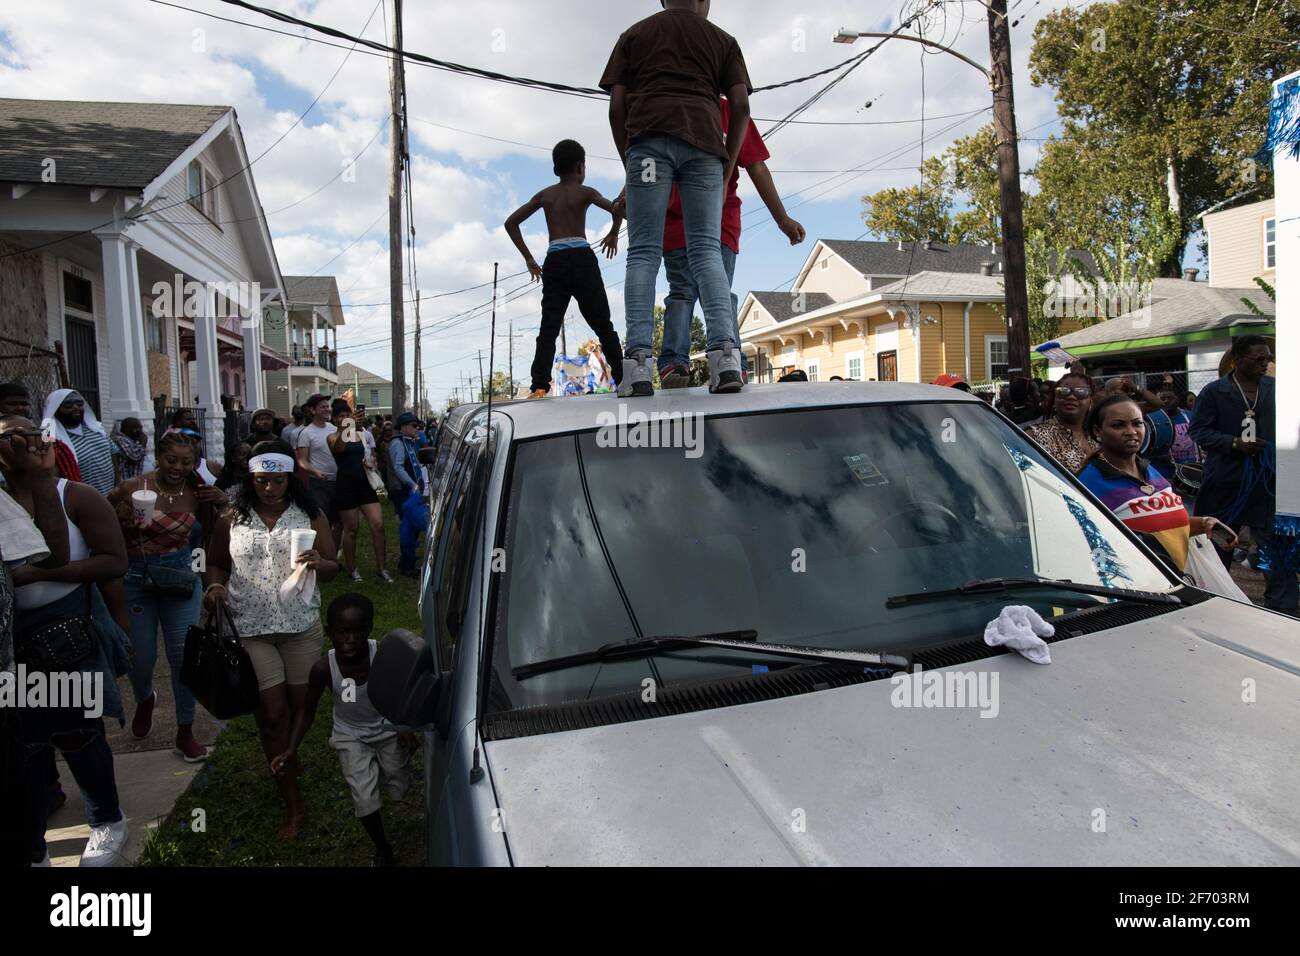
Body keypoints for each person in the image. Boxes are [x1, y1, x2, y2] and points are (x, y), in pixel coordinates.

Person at [1, 415, 134, 866]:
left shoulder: (73, 495)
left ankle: (107, 821)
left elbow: (114, 561)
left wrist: (41, 574)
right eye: (6, 437)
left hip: (63, 629)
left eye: (25, 435)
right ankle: (33, 843)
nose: (17, 444)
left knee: (78, 731)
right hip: (10, 635)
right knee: (27, 740)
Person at [602, 0, 754, 396]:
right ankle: (725, 361)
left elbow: (617, 107)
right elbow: (740, 105)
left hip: (648, 148)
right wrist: (726, 165)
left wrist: (630, 158)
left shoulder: (634, 34)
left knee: (644, 252)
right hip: (704, 148)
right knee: (705, 249)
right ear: (705, 1)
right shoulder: (723, 40)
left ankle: (637, 367)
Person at [204, 440, 339, 842]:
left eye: (276, 480)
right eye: (261, 480)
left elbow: (333, 566)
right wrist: (213, 584)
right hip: (250, 628)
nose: (268, 488)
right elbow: (216, 561)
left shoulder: (310, 514)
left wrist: (320, 563)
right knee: (273, 713)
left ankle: (288, 756)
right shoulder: (231, 517)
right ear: (251, 479)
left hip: (299, 625)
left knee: (301, 709)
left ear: (288, 478)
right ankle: (292, 802)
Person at [656, 87, 806, 387]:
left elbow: (757, 167)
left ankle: (712, 360)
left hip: (717, 220)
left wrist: (781, 218)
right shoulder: (679, 108)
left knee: (702, 289)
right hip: (679, 221)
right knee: (695, 289)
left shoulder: (727, 112)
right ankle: (691, 361)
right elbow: (646, 162)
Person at [108, 431, 226, 761]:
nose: (177, 467)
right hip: (135, 577)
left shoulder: (197, 493)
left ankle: (184, 731)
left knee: (182, 656)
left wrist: (219, 501)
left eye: (186, 462)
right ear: (158, 456)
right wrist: (122, 520)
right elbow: (100, 525)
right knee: (141, 657)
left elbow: (211, 536)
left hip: (180, 578)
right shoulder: (132, 488)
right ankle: (145, 697)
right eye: (171, 460)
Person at [271, 593, 413, 867]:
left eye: (358, 631)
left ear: (369, 629)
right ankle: (382, 848)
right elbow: (307, 710)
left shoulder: (380, 653)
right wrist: (291, 749)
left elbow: (401, 688)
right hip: (351, 735)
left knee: (399, 787)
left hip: (386, 728)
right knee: (364, 798)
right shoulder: (323, 668)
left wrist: (404, 725)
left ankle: (389, 774)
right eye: (342, 632)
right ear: (329, 633)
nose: (350, 639)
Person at [505, 139, 625, 400]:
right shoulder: (586, 192)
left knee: (548, 326)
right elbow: (618, 208)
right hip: (582, 258)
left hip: (555, 261)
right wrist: (614, 232)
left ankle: (539, 385)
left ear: (555, 169)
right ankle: (624, 378)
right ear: (581, 167)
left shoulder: (545, 195)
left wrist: (528, 258)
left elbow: (511, 223)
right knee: (603, 323)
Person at [1189, 335, 1296, 612]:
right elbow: (1198, 431)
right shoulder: (1214, 392)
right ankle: (1215, 603)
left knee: (1277, 548)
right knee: (1218, 545)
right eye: (1259, 359)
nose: (1266, 363)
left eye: (1268, 358)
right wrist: (1234, 443)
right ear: (1237, 361)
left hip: (1269, 485)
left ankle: (1285, 610)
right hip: (1226, 484)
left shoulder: (1278, 389)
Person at [1077, 393, 1234, 577]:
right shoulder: (1087, 482)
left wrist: (1203, 523)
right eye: (1118, 425)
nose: (1131, 431)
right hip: (1133, 590)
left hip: (1176, 583)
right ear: (1097, 431)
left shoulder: (1151, 471)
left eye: (1137, 423)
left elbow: (1162, 526)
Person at [327, 399, 391, 583]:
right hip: (345, 486)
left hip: (363, 483)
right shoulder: (332, 436)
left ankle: (382, 568)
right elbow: (339, 449)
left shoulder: (360, 435)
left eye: (347, 415)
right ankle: (352, 570)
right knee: (351, 529)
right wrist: (349, 426)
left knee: (378, 525)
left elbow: (365, 455)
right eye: (341, 416)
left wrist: (370, 462)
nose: (345, 418)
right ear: (334, 419)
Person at [43, 389, 116, 494]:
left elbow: (112, 454)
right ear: (55, 409)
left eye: (79, 404)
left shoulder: (97, 428)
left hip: (111, 494)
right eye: (68, 406)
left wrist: (117, 485)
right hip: (83, 501)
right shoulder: (51, 440)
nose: (75, 407)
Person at [1025, 373, 1098, 474]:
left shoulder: (1098, 436)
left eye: (1081, 392)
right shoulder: (1034, 436)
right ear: (1054, 399)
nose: (1071, 397)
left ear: (1091, 400)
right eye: (1063, 392)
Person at [295, 394, 340, 540]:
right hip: (319, 484)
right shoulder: (306, 433)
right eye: (323, 407)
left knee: (339, 522)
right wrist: (316, 472)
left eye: (328, 406)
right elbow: (302, 461)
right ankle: (323, 555)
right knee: (323, 522)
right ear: (312, 410)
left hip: (339, 481)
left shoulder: (335, 429)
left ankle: (334, 557)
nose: (327, 409)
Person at [388, 413, 426, 578]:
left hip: (412, 489)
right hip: (403, 491)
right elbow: (398, 467)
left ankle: (407, 561)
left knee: (413, 528)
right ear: (403, 427)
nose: (417, 429)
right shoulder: (398, 443)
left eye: (418, 426)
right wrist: (412, 484)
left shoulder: (412, 442)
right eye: (414, 425)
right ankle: (407, 565)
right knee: (408, 528)